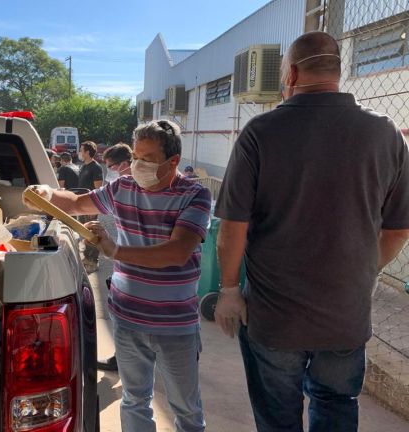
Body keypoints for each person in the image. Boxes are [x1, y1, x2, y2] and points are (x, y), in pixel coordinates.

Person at [214, 31, 409, 432]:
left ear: (292, 73)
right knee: (336, 405)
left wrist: (229, 291)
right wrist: (364, 271)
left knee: (277, 415)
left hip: (274, 319)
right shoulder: (385, 132)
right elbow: (399, 228)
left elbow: (233, 227)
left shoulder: (260, 133)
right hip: (345, 317)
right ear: (339, 72)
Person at [24, 120, 210, 432]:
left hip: (175, 324)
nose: (138, 165)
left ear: (173, 161)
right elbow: (78, 203)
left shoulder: (194, 195)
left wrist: (116, 251)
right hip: (128, 318)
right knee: (134, 399)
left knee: (187, 410)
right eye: (136, 156)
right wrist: (47, 193)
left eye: (148, 159)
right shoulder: (123, 187)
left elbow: (177, 252)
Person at [96, 142, 133, 372]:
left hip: (138, 269)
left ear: (124, 164)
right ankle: (121, 359)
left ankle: (125, 360)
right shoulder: (121, 188)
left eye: (111, 166)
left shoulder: (144, 189)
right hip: (126, 265)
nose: (110, 170)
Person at [77, 141, 105, 273]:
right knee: (84, 232)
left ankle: (93, 261)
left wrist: (94, 208)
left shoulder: (96, 167)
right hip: (82, 206)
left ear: (87, 152)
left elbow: (98, 189)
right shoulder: (83, 166)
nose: (80, 152)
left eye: (81, 150)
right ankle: (87, 258)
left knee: (92, 234)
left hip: (91, 206)